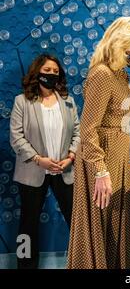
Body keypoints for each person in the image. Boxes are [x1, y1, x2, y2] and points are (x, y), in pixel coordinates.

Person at [67, 17, 130, 269]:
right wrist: (101, 170)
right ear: (124, 43)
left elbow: (119, 124)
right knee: (99, 222)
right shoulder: (102, 74)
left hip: (118, 159)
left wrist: (125, 164)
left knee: (115, 224)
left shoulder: (120, 75)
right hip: (100, 162)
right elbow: (89, 128)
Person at [10, 54, 80, 269]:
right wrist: (39, 160)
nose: (51, 74)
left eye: (55, 71)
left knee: (77, 223)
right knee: (27, 225)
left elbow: (78, 132)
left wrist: (70, 157)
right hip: (33, 172)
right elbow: (16, 136)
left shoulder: (68, 102)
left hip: (64, 171)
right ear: (37, 72)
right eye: (47, 70)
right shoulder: (22, 101)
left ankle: (82, 263)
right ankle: (26, 266)